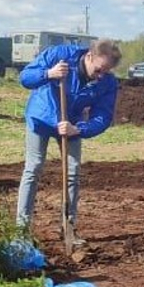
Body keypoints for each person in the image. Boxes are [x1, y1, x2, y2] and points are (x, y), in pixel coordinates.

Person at [15, 38, 121, 242]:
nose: (100, 76)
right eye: (98, 70)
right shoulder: (60, 55)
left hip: (71, 125)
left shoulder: (107, 82)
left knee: (73, 171)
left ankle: (69, 228)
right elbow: (25, 78)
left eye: (105, 72)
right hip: (42, 117)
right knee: (34, 167)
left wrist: (79, 129)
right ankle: (21, 230)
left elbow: (103, 116)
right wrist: (48, 74)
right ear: (89, 56)